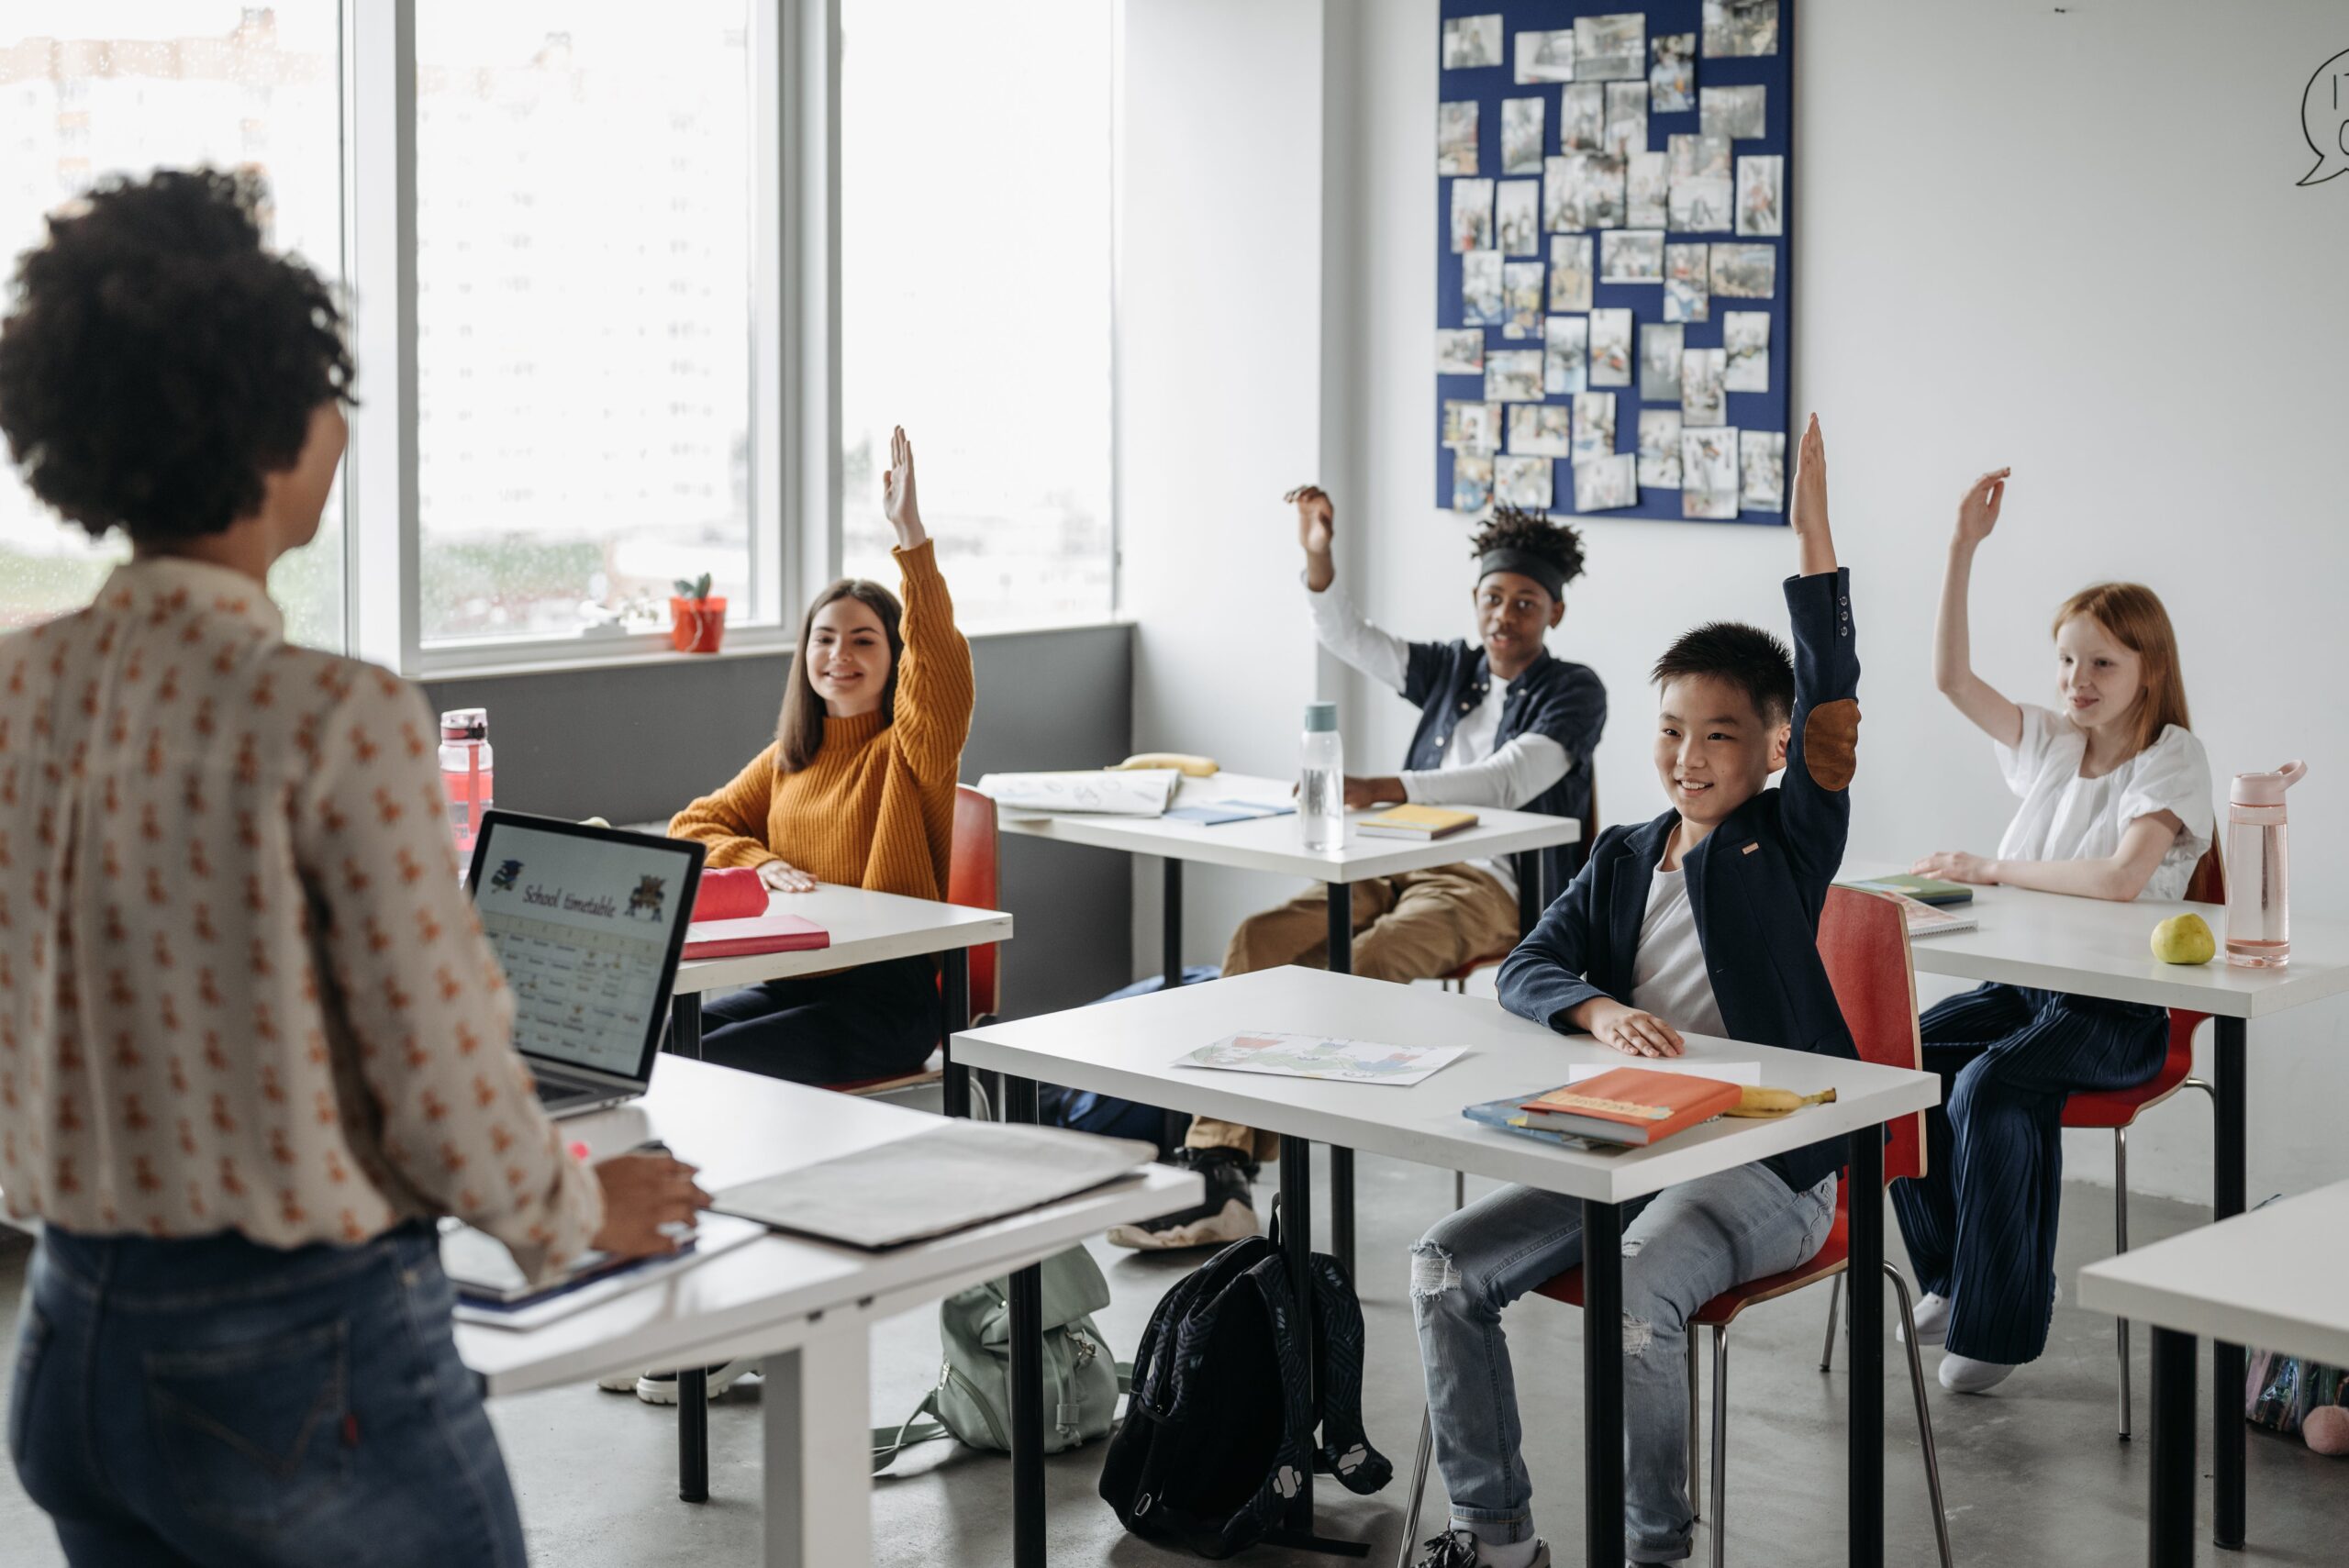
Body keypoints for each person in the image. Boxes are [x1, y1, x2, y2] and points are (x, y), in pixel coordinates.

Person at [0, 168, 704, 1568]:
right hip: (296, 1361)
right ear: (274, 433)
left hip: (67, 1333)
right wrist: (574, 1213)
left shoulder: (20, 691)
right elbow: (438, 1067)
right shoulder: (335, 717)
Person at [1406, 416, 1854, 1568]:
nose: (1688, 755)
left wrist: (1812, 534)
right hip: (1624, 1140)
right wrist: (1597, 1011)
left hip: (1767, 1159)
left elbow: (1831, 700)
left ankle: (1653, 1551)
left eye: (1719, 734)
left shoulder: (1785, 840)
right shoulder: (1622, 853)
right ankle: (1495, 1538)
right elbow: (1526, 966)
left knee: (1634, 1301)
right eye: (1669, 731)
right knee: (1445, 1267)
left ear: (1768, 748)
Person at [1109, 494, 1606, 1251]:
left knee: (1358, 963)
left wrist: (1386, 786)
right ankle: (1221, 1166)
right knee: (1262, 938)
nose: (1506, 616)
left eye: (1526, 604)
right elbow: (1348, 635)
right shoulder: (1453, 670)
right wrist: (1317, 555)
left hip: (1489, 887)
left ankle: (1219, 1169)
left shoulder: (1574, 690)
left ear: (1555, 614)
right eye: (1494, 598)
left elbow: (1510, 779)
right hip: (1391, 858)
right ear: (1477, 602)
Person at [1891, 467, 2213, 1395]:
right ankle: (1953, 1279)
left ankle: (1996, 1328)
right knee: (1899, 1062)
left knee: (1992, 1086)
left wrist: (1990, 869)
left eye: (2102, 663)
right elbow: (1949, 676)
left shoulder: (2172, 758)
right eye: (2067, 660)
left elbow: (2118, 878)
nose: (2077, 680)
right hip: (2026, 987)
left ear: (2148, 669)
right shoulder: (2049, 743)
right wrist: (1961, 547)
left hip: (2116, 1010)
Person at [667, 428, 974, 1088]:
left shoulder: (913, 749)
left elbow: (942, 670)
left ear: (895, 659)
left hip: (886, 1003)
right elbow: (691, 825)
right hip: (794, 983)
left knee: (703, 1069)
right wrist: (761, 860)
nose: (840, 655)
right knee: (653, 1043)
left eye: (864, 641)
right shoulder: (790, 758)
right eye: (824, 638)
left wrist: (912, 539)